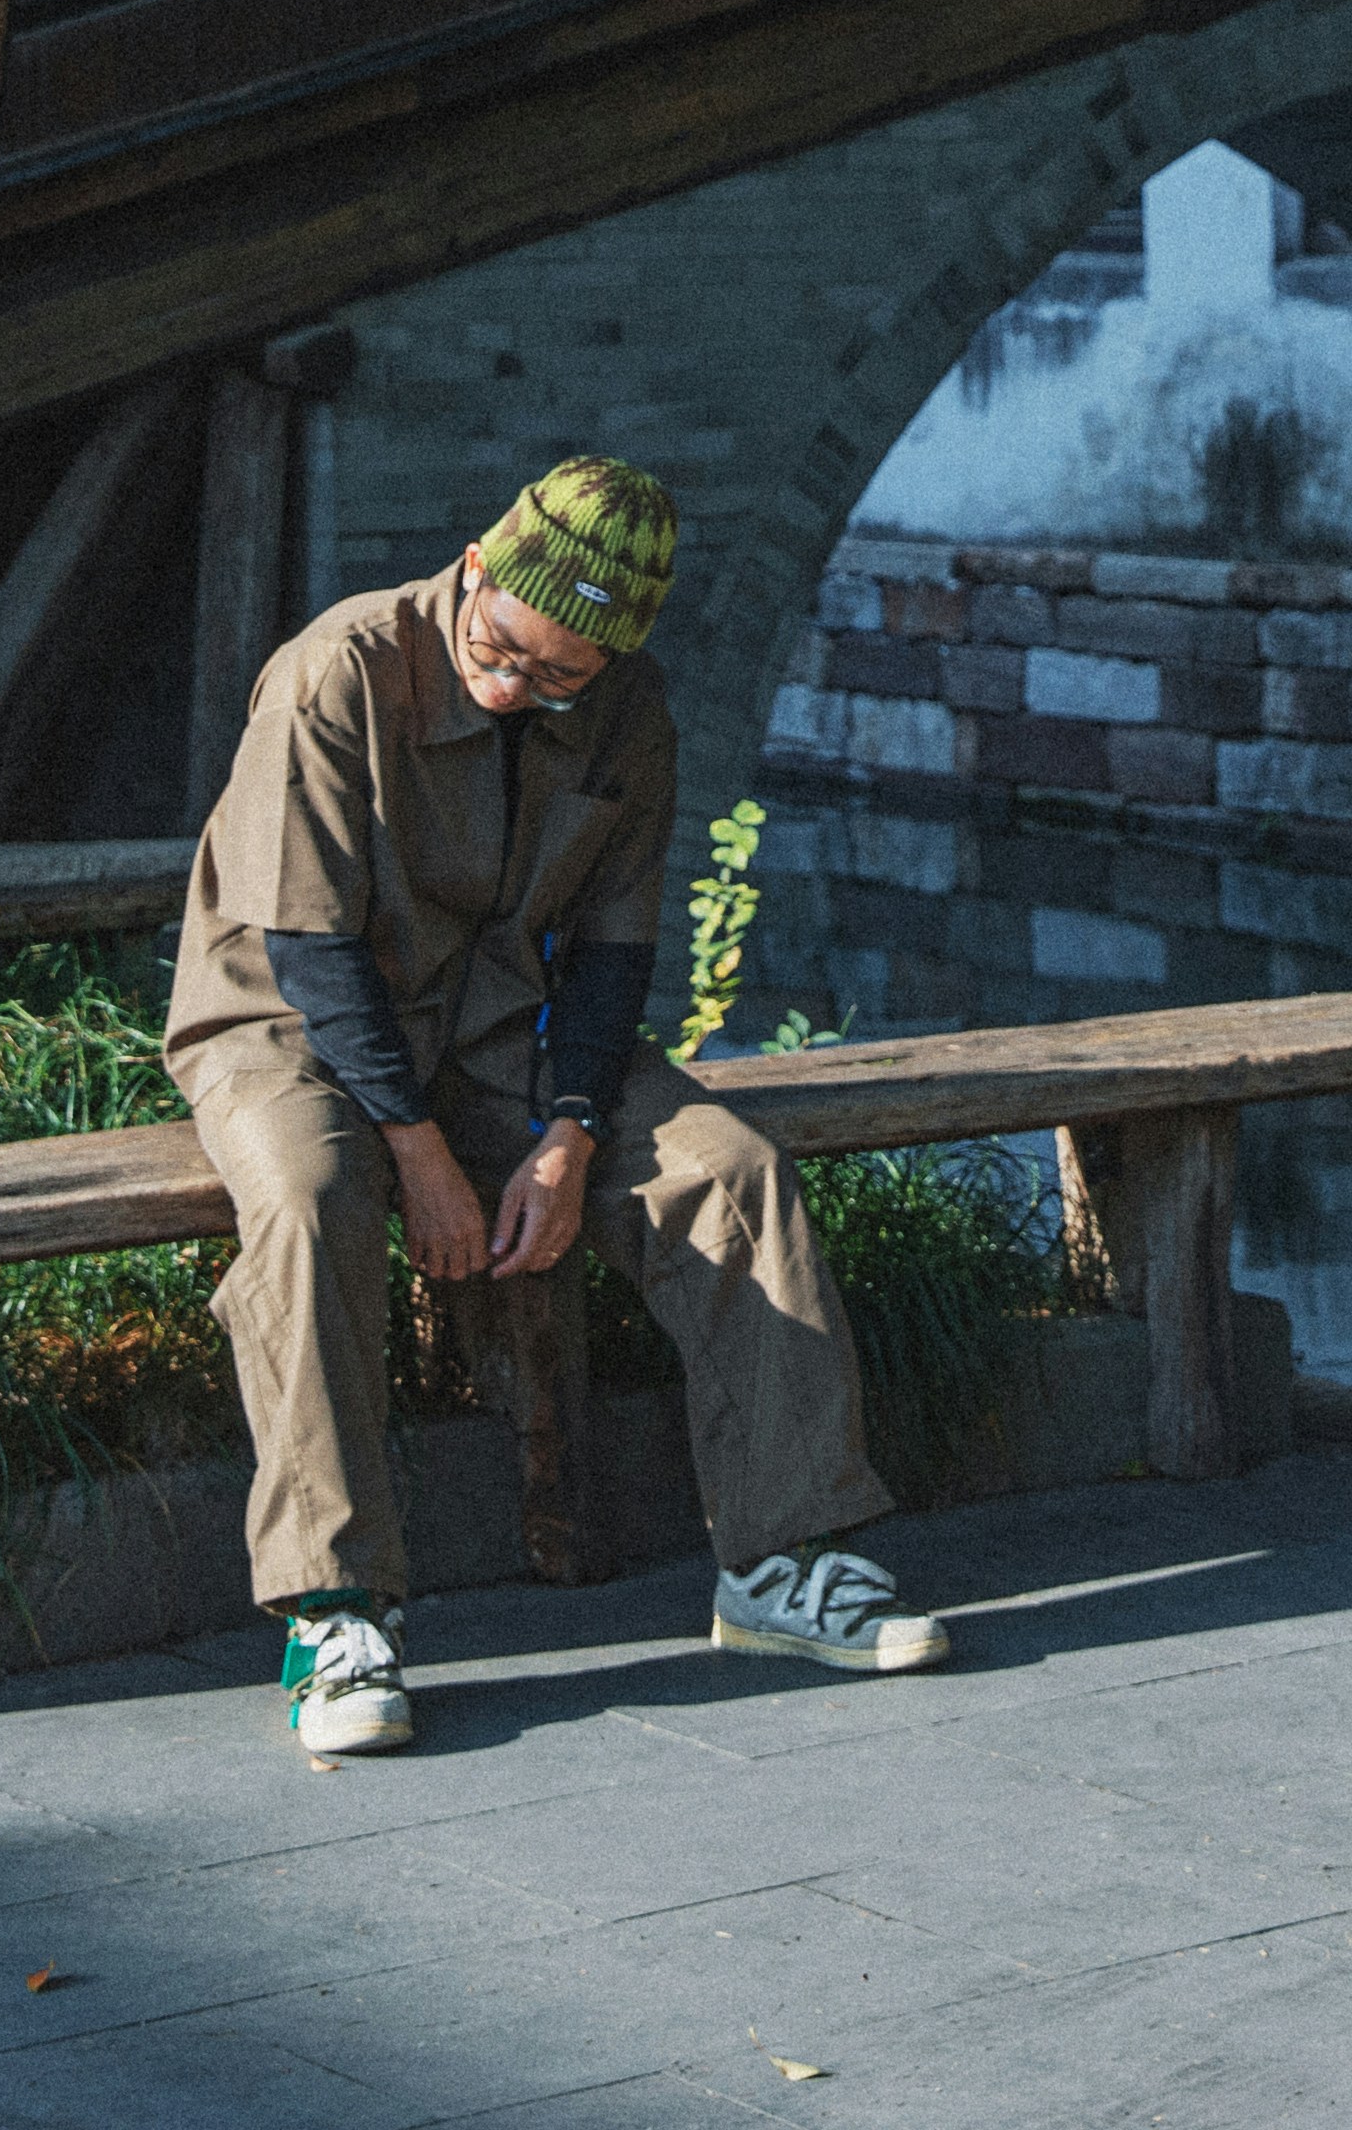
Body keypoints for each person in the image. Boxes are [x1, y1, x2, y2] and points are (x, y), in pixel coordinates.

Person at [170, 451, 957, 1757]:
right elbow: (310, 949)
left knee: (730, 1170)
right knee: (311, 1199)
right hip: (287, 1017)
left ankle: (782, 1566)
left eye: (557, 677)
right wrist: (419, 1154)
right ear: (474, 570)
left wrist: (575, 1128)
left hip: (501, 1023)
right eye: (500, 648)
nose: (512, 684)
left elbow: (610, 951)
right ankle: (338, 1608)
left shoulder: (630, 709)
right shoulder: (338, 671)